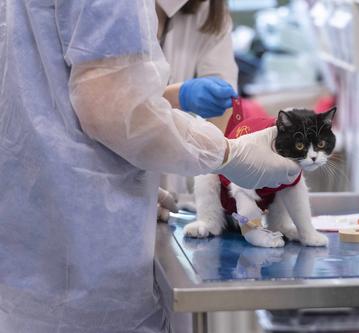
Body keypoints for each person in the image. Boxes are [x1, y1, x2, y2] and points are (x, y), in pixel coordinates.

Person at [0, 1, 300, 332]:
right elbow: (114, 108)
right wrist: (227, 154)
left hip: (35, 248)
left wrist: (120, 184)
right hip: (88, 275)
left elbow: (56, 104)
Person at [155, 0, 238, 219]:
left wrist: (223, 182)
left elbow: (224, 108)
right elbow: (112, 101)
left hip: (169, 184)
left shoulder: (209, 11)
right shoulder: (121, 8)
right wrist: (177, 96)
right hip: (104, 175)